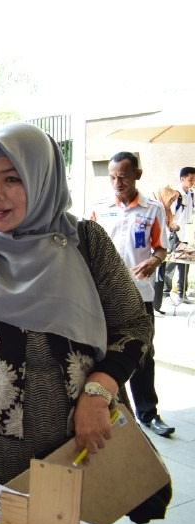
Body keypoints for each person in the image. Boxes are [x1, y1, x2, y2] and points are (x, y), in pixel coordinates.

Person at [0, 122, 151, 484]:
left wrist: (99, 391)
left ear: (42, 179)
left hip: (78, 438)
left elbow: (134, 325)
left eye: (13, 179)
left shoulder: (85, 244)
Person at [90, 152, 175, 437]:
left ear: (137, 175)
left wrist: (154, 261)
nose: (117, 182)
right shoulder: (99, 209)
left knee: (143, 353)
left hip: (139, 295)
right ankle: (114, 412)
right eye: (112, 177)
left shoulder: (152, 209)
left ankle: (148, 414)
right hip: (103, 296)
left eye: (123, 177)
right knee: (104, 353)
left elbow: (161, 248)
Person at [164, 167, 195, 302]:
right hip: (174, 234)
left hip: (186, 234)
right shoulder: (176, 195)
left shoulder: (191, 194)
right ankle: (165, 292)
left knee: (185, 262)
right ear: (182, 179)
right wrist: (171, 227)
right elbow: (167, 213)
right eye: (190, 179)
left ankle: (182, 293)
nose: (193, 181)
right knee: (171, 262)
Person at [152, 185, 179, 314]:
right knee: (155, 279)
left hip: (164, 249)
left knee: (160, 279)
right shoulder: (157, 209)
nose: (172, 203)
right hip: (155, 251)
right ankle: (153, 307)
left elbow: (167, 227)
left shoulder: (167, 211)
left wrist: (173, 227)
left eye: (173, 200)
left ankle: (157, 306)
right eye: (170, 200)